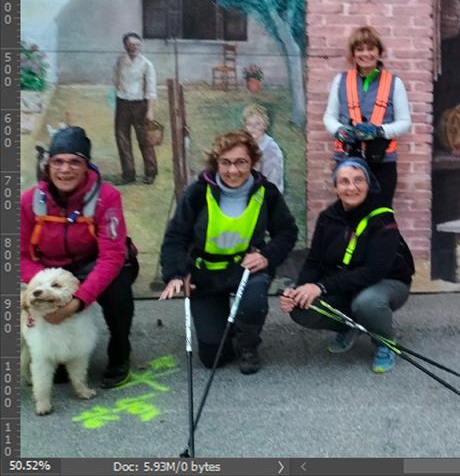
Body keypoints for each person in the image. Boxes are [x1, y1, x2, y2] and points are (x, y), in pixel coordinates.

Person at [159, 130, 298, 375]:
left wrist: (266, 255)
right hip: (206, 273)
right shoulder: (197, 193)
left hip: (246, 269)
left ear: (253, 162)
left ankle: (248, 344)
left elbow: (287, 231)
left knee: (253, 301)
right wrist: (176, 274)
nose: (233, 170)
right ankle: (226, 327)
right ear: (216, 163)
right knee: (213, 359)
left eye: (241, 162)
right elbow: (176, 237)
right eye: (225, 162)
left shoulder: (267, 193)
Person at [20, 126, 138, 388]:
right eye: (58, 162)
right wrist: (44, 286)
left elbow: (112, 256)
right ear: (48, 165)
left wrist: (77, 302)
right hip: (49, 269)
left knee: (118, 292)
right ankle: (60, 356)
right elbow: (20, 255)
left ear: (87, 166)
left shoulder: (107, 197)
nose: (65, 169)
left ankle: (120, 351)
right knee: (42, 304)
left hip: (93, 263)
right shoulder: (29, 201)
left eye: (75, 162)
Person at [280, 157, 414, 374]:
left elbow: (373, 271)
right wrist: (299, 290)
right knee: (301, 308)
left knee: (367, 302)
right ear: (336, 187)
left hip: (387, 283)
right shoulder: (327, 218)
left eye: (358, 180)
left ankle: (385, 342)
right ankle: (352, 326)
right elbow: (314, 261)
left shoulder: (382, 217)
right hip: (346, 283)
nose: (351, 187)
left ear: (368, 184)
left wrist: (321, 287)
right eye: (344, 181)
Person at [323, 25, 411, 206]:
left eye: (371, 48)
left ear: (379, 52)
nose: (365, 54)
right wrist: (339, 130)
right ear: (353, 53)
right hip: (347, 160)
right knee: (350, 213)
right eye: (360, 49)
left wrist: (379, 131)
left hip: (382, 162)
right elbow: (329, 117)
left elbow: (405, 123)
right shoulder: (340, 80)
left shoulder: (395, 83)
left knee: (379, 214)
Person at [113, 32, 157, 185]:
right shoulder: (120, 60)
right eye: (131, 45)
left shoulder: (146, 64)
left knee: (144, 139)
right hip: (122, 104)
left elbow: (151, 90)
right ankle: (128, 173)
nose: (134, 48)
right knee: (122, 138)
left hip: (140, 105)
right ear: (125, 46)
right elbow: (116, 80)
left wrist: (150, 111)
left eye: (137, 45)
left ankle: (150, 172)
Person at [242, 104, 284, 193]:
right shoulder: (245, 144)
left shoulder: (271, 149)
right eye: (249, 124)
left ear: (265, 125)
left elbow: (272, 180)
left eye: (257, 124)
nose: (253, 128)